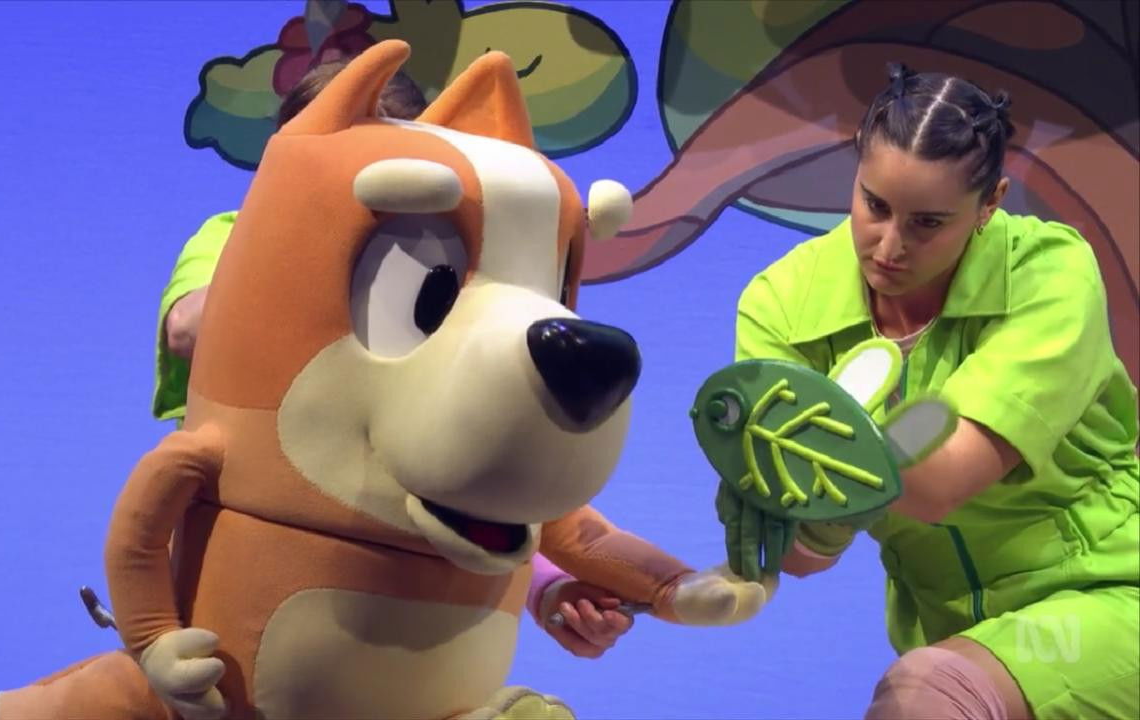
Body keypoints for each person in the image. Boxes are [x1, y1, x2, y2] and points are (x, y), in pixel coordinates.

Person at [152, 57, 636, 661]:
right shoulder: (235, 234)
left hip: (394, 607)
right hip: (248, 576)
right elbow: (188, 328)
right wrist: (312, 250)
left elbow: (458, 468)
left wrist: (551, 590)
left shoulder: (444, 267)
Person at [728, 62, 1138, 719]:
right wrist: (786, 522)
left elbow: (943, 480)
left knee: (926, 696)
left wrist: (821, 470)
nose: (889, 246)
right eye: (875, 205)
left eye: (927, 223)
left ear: (991, 203)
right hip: (947, 629)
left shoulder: (1050, 273)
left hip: (1111, 590)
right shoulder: (781, 304)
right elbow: (802, 557)